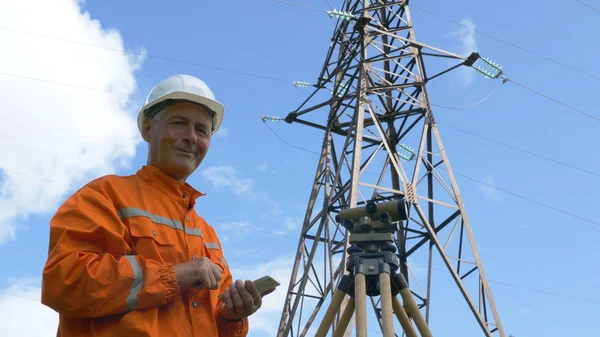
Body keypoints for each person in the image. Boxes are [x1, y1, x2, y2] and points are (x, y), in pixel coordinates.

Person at [41, 74, 267, 337]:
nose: (191, 137)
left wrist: (231, 316)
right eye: (179, 123)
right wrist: (174, 276)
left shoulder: (208, 235)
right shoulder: (104, 196)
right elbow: (65, 282)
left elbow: (212, 324)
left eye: (201, 130)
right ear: (148, 129)